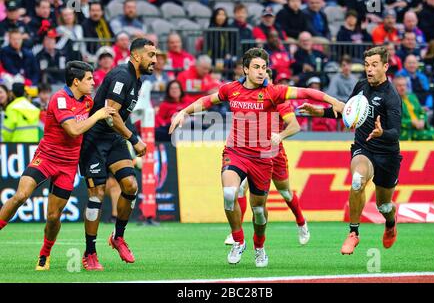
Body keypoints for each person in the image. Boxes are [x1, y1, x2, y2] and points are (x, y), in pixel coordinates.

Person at [169, 47, 344, 267]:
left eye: (264, 68)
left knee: (260, 211)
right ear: (245, 69)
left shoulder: (274, 92)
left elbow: (307, 93)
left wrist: (334, 102)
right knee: (230, 192)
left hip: (263, 158)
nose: (261, 72)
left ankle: (260, 246)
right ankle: (238, 240)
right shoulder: (230, 89)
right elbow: (207, 101)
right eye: (256, 67)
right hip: (236, 152)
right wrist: (183, 112)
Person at [0, 61, 115, 270]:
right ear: (76, 81)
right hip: (46, 158)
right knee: (21, 196)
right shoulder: (60, 99)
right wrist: (98, 115)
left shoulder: (88, 102)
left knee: (53, 216)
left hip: (68, 165)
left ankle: (44, 254)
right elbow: (73, 130)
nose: (93, 82)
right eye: (89, 79)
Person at [300, 46, 403, 255]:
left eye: (374, 65)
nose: (370, 69)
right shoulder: (361, 86)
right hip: (363, 148)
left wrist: (381, 132)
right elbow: (347, 113)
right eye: (367, 65)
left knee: (384, 206)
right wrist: (319, 112)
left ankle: (391, 223)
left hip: (387, 154)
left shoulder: (391, 96)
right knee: (357, 179)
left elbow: (395, 132)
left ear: (385, 66)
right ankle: (353, 233)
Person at [78, 38, 157, 271]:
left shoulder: (137, 79)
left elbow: (120, 116)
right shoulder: (122, 75)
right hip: (94, 139)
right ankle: (90, 253)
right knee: (97, 194)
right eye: (151, 55)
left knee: (131, 186)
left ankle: (117, 237)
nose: (155, 60)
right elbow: (110, 114)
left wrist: (127, 136)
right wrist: (134, 139)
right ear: (136, 56)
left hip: (114, 139)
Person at [224, 68, 310, 246]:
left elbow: (294, 126)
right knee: (239, 189)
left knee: (285, 192)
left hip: (274, 154)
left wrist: (280, 135)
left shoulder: (278, 100)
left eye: (267, 78)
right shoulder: (248, 98)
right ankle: (236, 234)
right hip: (250, 152)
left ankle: (301, 222)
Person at [395, 75, 434, 140]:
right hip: (407, 131)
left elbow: (422, 112)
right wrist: (412, 122)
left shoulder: (412, 97)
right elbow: (395, 120)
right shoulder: (393, 101)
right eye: (399, 85)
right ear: (394, 87)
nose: (402, 87)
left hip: (420, 127)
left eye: (404, 85)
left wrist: (422, 120)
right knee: (430, 136)